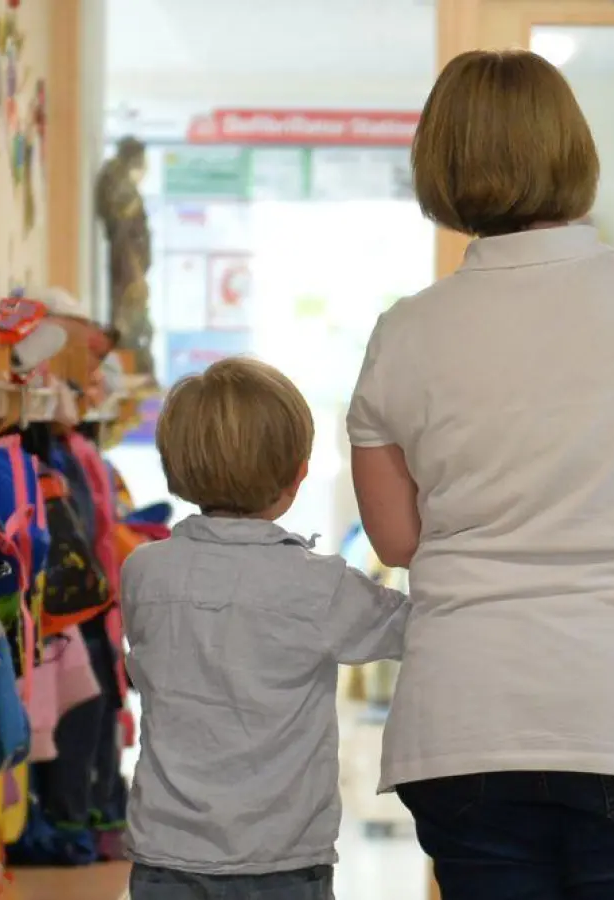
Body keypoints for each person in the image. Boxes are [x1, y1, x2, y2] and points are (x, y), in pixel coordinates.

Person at [347, 49, 614, 900]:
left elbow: (397, 539)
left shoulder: (405, 333)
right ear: (572, 148)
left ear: (441, 162)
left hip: (471, 719)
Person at [124, 358, 409, 900]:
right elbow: (417, 631)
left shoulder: (143, 571)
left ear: (175, 464)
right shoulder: (317, 585)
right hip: (282, 856)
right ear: (298, 474)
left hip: (166, 851)